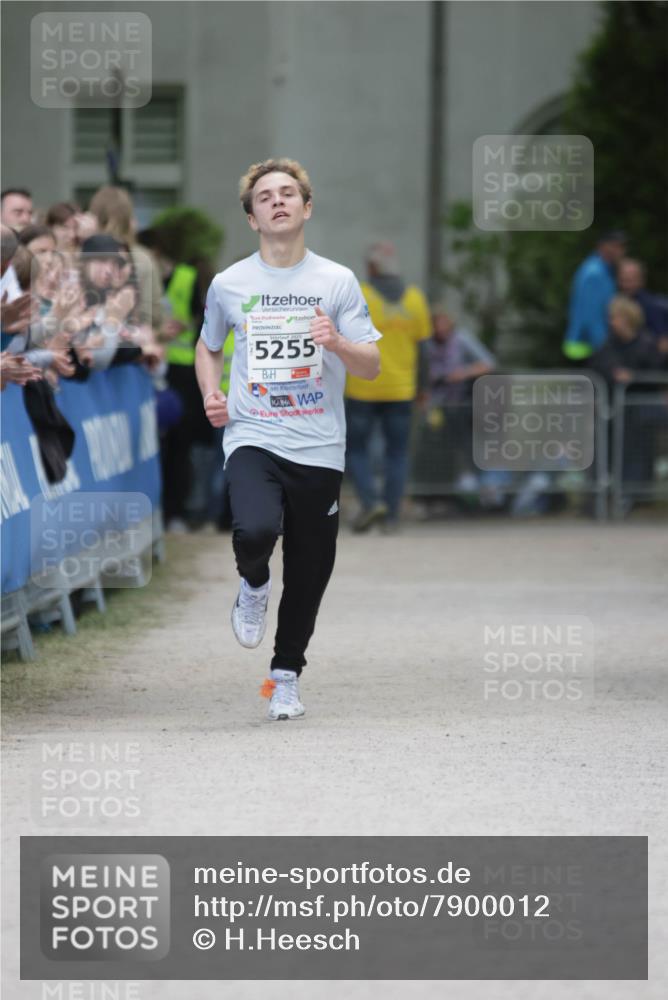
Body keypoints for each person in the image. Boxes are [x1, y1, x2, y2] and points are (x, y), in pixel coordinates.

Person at [195, 157, 380, 721]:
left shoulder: (336, 281)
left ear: (307, 207)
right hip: (253, 432)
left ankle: (285, 676)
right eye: (264, 197)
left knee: (310, 567)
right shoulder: (230, 283)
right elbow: (209, 346)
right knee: (254, 530)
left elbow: (371, 365)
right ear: (252, 218)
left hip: (319, 444)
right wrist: (211, 393)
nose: (277, 201)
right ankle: (253, 582)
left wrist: (339, 344)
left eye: (288, 193)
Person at [345, 240, 430, 532]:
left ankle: (371, 503)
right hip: (402, 390)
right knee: (397, 453)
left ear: (371, 267)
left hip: (362, 387)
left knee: (356, 450)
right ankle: (392, 516)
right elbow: (425, 349)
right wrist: (423, 387)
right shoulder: (415, 299)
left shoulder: (360, 295)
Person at [563, 230, 627, 362]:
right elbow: (592, 316)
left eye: (622, 246)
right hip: (586, 346)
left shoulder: (602, 270)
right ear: (603, 247)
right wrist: (604, 349)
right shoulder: (595, 274)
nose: (621, 251)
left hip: (588, 346)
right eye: (616, 246)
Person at [617, 257, 668, 342]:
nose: (626, 285)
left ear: (641, 280)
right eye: (623, 280)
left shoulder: (652, 306)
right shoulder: (617, 303)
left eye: (630, 281)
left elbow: (663, 342)